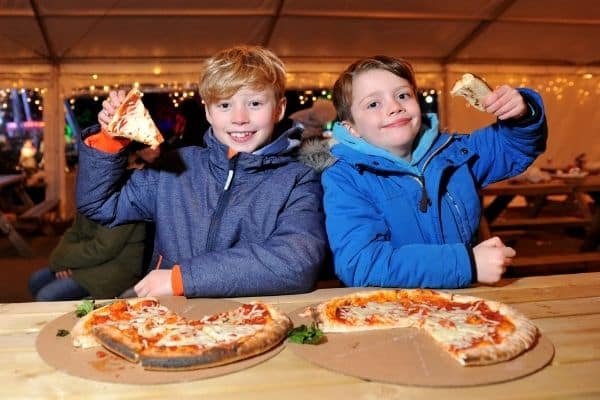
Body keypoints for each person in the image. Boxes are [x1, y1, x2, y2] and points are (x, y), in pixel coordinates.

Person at [76, 45, 327, 298]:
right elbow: (102, 204)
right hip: (171, 324)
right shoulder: (175, 168)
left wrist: (181, 279)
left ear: (279, 109)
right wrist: (109, 139)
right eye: (225, 105)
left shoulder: (297, 178)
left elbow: (297, 261)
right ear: (207, 111)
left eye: (254, 103)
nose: (240, 118)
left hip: (251, 322)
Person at [322, 55, 547, 288]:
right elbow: (360, 264)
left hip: (463, 305)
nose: (395, 107)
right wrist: (466, 263)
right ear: (352, 128)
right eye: (373, 104)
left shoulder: (455, 152)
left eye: (402, 95)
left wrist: (523, 112)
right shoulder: (345, 177)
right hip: (392, 309)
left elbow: (514, 147)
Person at [28, 211, 146, 301]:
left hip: (117, 269)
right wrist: (62, 261)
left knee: (46, 296)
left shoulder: (122, 199)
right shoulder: (92, 191)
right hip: (92, 261)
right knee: (36, 280)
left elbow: (102, 248)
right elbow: (75, 231)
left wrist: (63, 260)